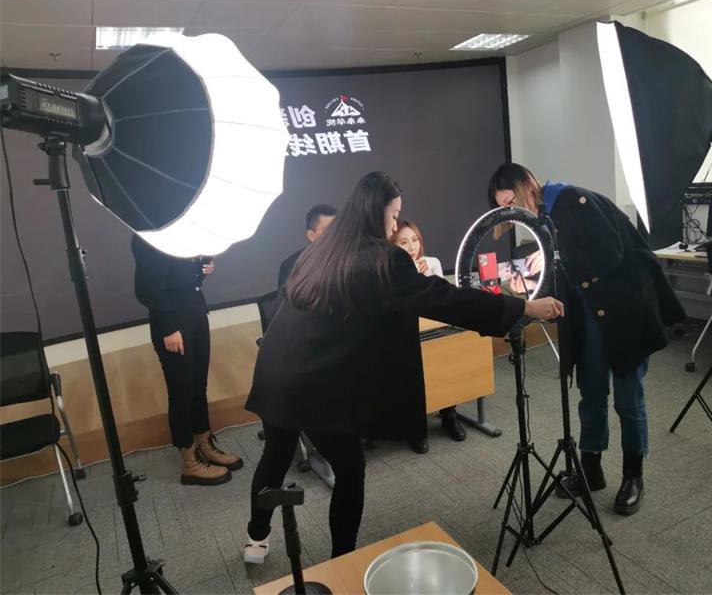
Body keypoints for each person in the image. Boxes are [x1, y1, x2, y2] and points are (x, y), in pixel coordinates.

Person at [243, 171, 564, 563]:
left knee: (276, 455)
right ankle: (342, 564)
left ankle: (255, 539)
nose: (395, 226)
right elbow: (443, 299)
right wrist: (523, 306)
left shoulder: (320, 251)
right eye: (394, 215)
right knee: (350, 470)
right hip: (313, 384)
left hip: (276, 371)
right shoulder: (383, 259)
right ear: (375, 211)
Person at [487, 163, 685, 515]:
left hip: (625, 312)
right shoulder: (544, 217)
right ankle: (590, 471)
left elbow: (609, 254)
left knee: (628, 399)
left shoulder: (574, 200)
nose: (512, 212)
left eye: (511, 202)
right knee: (591, 394)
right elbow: (567, 275)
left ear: (527, 184)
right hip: (589, 316)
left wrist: (554, 254)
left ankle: (633, 476)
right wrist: (531, 284)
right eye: (505, 207)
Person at [132, 236, 243, 486]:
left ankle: (205, 444)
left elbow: (184, 276)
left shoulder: (179, 234)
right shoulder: (147, 238)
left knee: (198, 387)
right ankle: (190, 462)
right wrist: (169, 328)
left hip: (196, 313)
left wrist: (203, 269)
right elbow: (146, 290)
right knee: (181, 391)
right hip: (172, 323)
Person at [391, 220, 463, 453]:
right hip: (406, 335)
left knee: (447, 357)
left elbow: (442, 301)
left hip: (435, 331)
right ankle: (416, 428)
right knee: (412, 374)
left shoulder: (432, 263)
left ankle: (449, 414)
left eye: (415, 240)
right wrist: (413, 278)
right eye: (403, 242)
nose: (412, 247)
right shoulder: (391, 271)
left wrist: (425, 280)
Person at [278, 204, 337, 288]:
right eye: (328, 230)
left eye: (337, 228)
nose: (335, 233)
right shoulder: (291, 267)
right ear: (311, 235)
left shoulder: (350, 258)